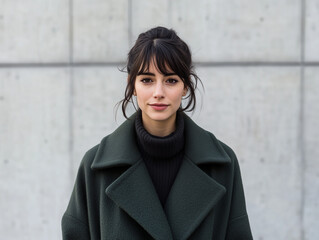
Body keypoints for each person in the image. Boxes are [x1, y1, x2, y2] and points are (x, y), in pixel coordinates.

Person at [62, 26, 253, 240]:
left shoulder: (222, 165)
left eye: (171, 80)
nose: (158, 93)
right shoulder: (95, 167)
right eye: (147, 80)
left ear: (186, 86)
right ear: (132, 85)